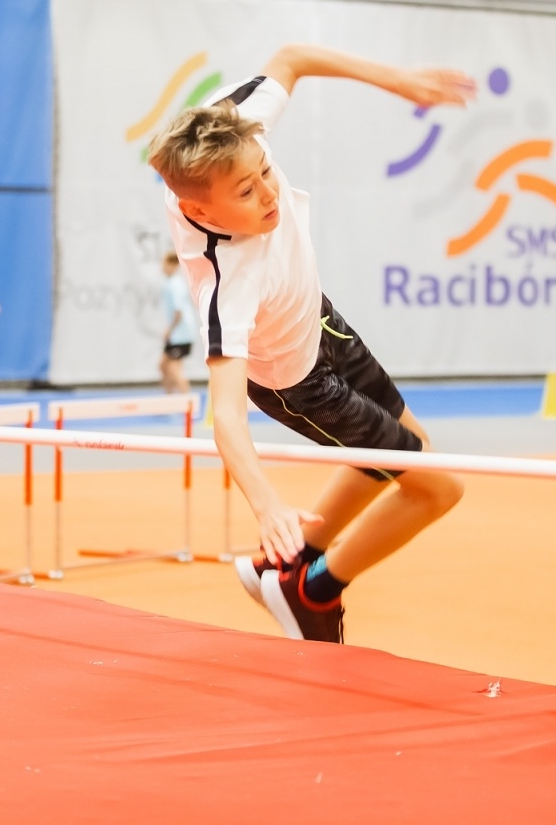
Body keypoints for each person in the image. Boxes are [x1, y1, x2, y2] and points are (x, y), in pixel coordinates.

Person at [148, 46, 472, 644]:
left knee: (411, 447)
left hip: (322, 322)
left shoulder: (229, 131)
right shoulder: (227, 282)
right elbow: (225, 417)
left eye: (265, 172)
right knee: (439, 488)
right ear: (199, 210)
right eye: (245, 193)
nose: (268, 195)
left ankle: (285, 564)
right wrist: (268, 505)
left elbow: (293, 57)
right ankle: (314, 588)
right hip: (297, 383)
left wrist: (397, 77)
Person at [158, 252, 196, 394]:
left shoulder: (176, 284)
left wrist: (169, 330)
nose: (162, 267)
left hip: (181, 334)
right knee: (163, 366)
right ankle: (169, 399)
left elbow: (178, 312)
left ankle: (189, 403)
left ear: (172, 265)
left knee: (175, 370)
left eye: (164, 264)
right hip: (176, 334)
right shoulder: (170, 283)